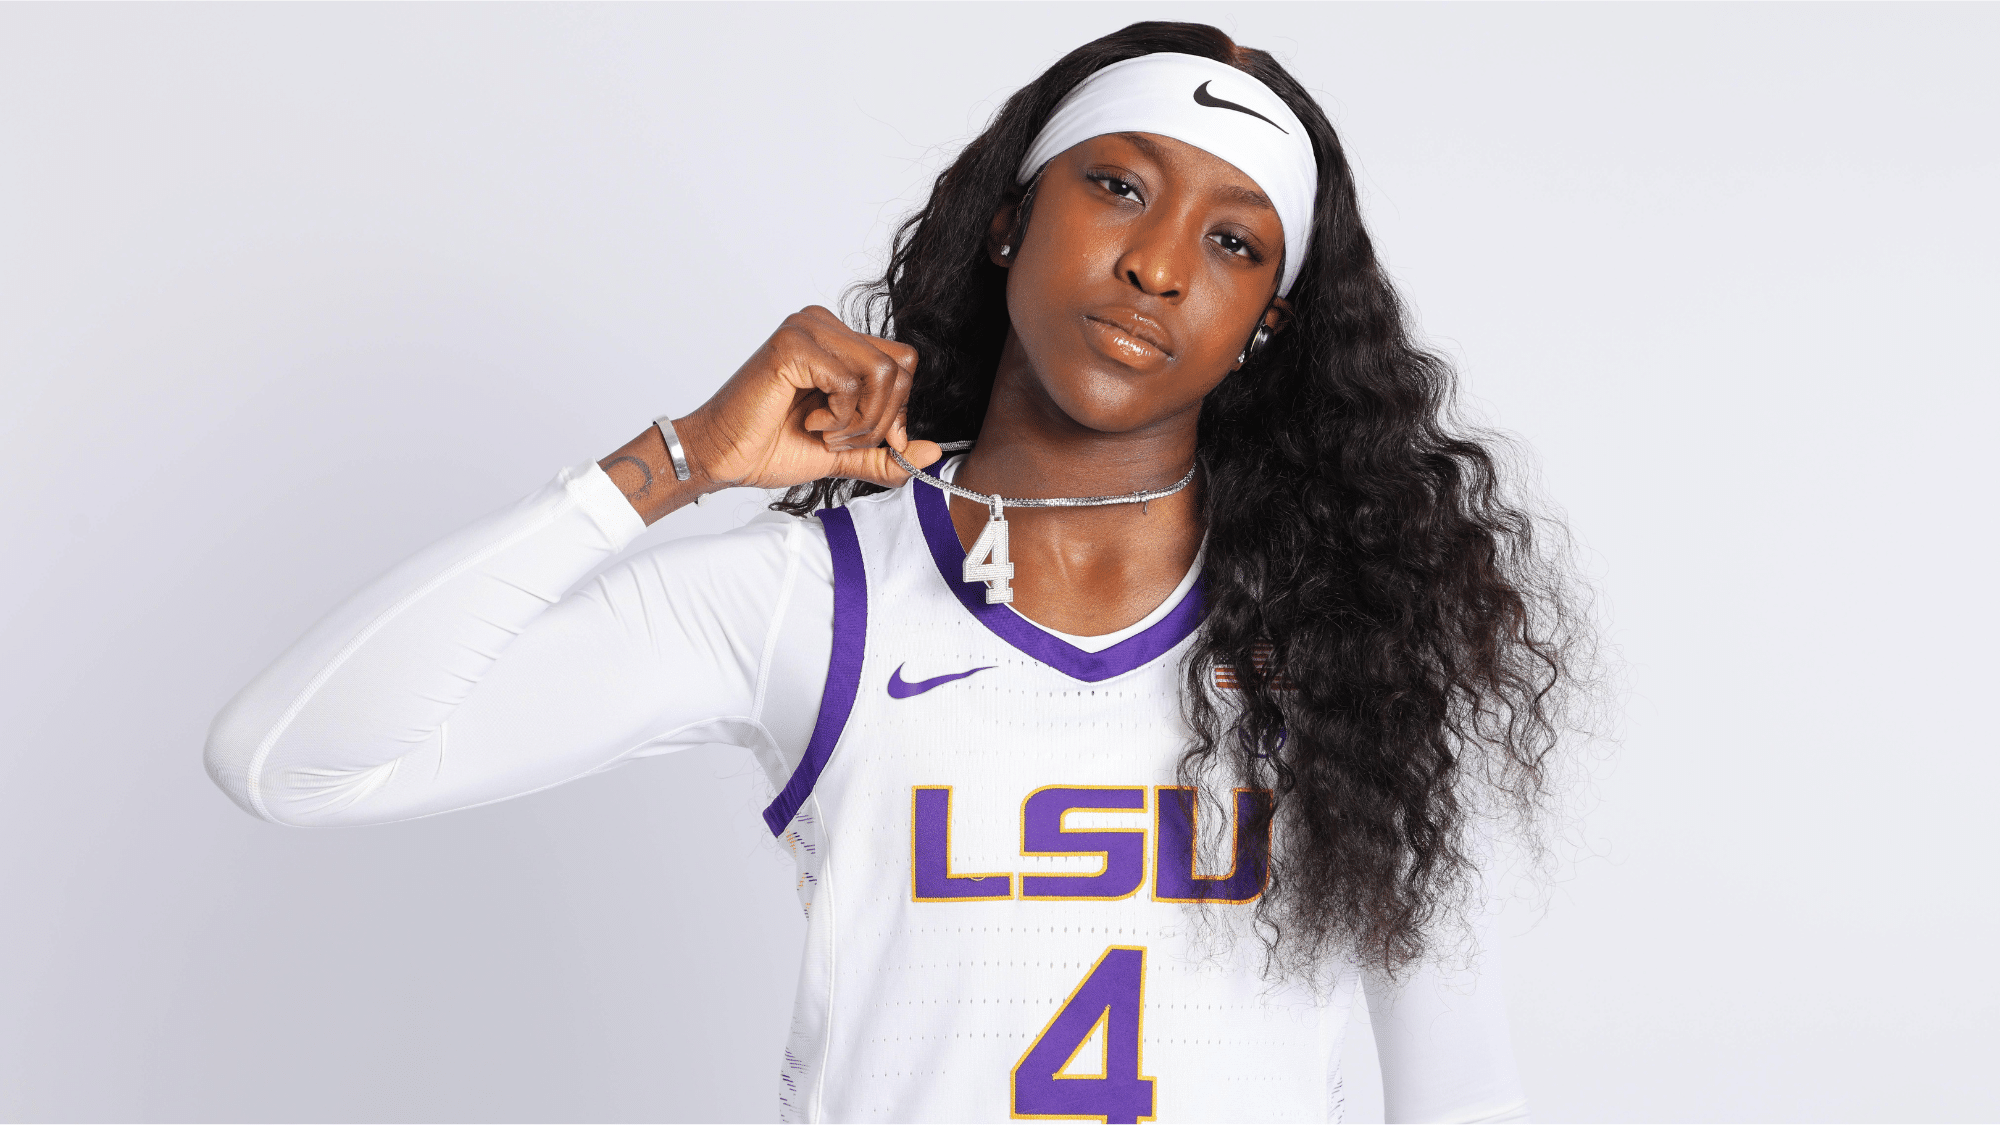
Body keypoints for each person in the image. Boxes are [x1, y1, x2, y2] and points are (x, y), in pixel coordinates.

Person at [207, 21, 1586, 1124]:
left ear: (1268, 323)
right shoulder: (811, 598)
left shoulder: (1345, 645)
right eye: (1116, 185)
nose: (1160, 265)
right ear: (1012, 218)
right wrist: (671, 464)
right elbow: (294, 763)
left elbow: (1461, 1095)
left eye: (1233, 241)